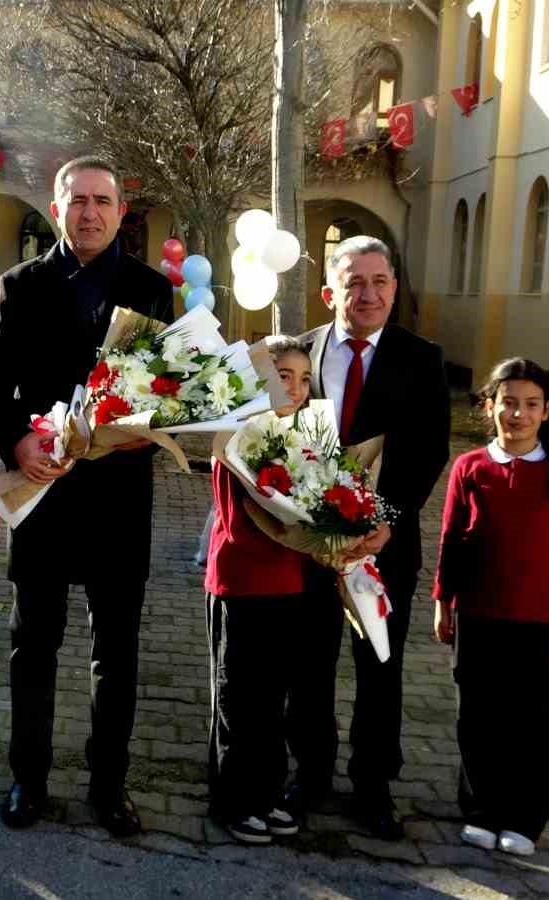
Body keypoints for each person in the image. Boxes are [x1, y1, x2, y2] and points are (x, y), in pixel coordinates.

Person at [0, 156, 170, 837]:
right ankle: (27, 779)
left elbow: (170, 387)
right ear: (56, 209)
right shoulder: (22, 284)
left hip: (119, 500)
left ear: (121, 211)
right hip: (44, 492)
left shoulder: (150, 288)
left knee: (116, 653)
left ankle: (108, 787)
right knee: (34, 645)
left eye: (102, 201)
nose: (89, 212)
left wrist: (157, 428)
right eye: (77, 200)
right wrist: (14, 445)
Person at [285, 235, 450, 840]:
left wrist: (387, 521)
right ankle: (310, 772)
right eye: (355, 282)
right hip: (310, 544)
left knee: (380, 663)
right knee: (310, 663)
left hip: (386, 544)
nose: (369, 294)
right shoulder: (299, 353)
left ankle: (375, 783)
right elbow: (280, 443)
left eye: (380, 282)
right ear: (331, 291)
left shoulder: (423, 357)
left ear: (394, 288)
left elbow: (430, 451)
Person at [433, 357, 549, 856]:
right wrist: (444, 601)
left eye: (530, 405)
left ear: (546, 412)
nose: (518, 414)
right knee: (477, 718)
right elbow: (451, 539)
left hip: (538, 622)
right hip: (478, 615)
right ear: (489, 407)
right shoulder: (470, 468)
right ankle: (481, 809)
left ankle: (523, 817)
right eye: (508, 403)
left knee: (530, 723)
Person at [206, 336, 314, 845]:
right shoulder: (237, 433)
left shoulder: (307, 438)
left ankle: (268, 795)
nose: (294, 387)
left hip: (288, 585)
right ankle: (233, 800)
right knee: (239, 696)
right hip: (242, 582)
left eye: (304, 378)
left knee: (274, 697)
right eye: (283, 375)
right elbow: (235, 515)